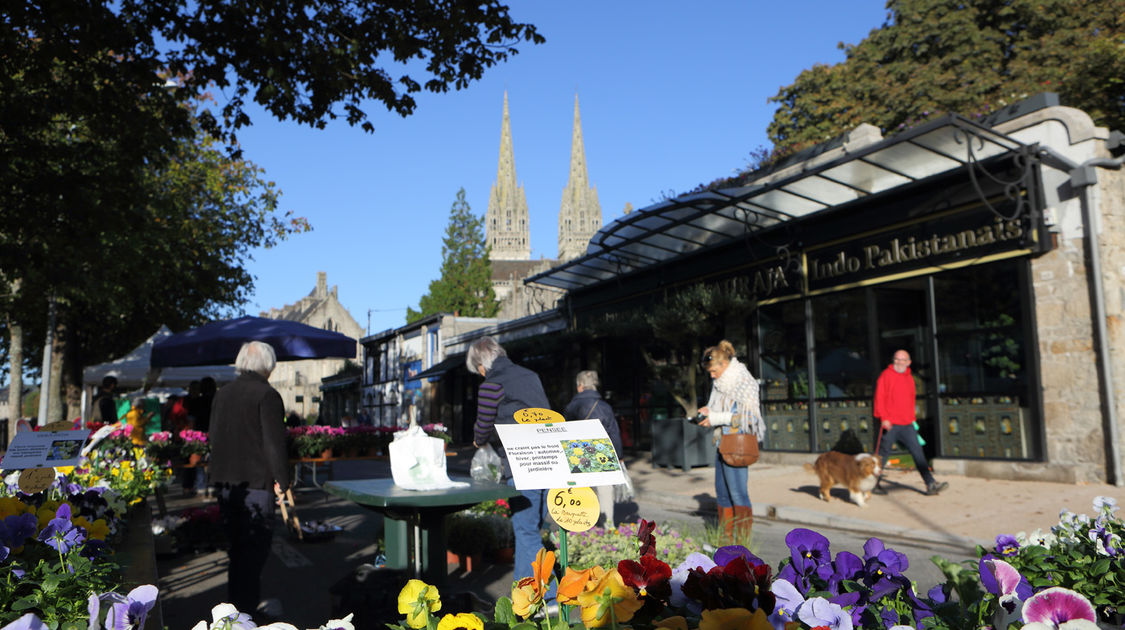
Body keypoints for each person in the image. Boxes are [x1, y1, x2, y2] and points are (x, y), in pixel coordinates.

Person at [208, 341, 290, 619]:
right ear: (268, 366)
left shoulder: (223, 393)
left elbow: (213, 437)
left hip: (227, 484)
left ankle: (234, 611)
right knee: (254, 554)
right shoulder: (267, 395)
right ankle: (246, 614)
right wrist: (283, 478)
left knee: (237, 550)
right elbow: (274, 444)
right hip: (256, 484)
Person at [467, 336, 554, 591]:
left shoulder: (492, 384)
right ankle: (523, 592)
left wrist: (477, 441)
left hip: (522, 462)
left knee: (526, 531)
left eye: (478, 370)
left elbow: (483, 426)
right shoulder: (530, 375)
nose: (480, 375)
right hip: (549, 458)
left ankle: (550, 596)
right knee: (530, 529)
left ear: (481, 364)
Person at [697, 340, 764, 542]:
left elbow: (750, 417)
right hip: (721, 443)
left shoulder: (744, 382)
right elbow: (720, 409)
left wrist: (717, 418)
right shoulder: (719, 384)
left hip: (737, 445)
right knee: (723, 493)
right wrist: (709, 412)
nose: (711, 375)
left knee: (738, 493)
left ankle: (742, 541)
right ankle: (725, 540)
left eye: (714, 370)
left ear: (724, 364)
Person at [872, 349, 948, 496]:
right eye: (897, 359)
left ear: (909, 362)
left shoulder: (909, 378)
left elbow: (910, 399)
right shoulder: (885, 376)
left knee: (918, 453)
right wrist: (883, 418)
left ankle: (930, 484)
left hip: (907, 424)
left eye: (903, 359)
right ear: (893, 360)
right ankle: (873, 484)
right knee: (883, 455)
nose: (899, 362)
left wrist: (912, 419)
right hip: (890, 423)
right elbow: (879, 398)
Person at [563, 370, 623, 527]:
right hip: (603, 452)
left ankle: (584, 526)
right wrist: (619, 455)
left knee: (583, 492)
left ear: (580, 386)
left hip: (578, 453)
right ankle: (608, 526)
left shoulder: (571, 407)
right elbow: (614, 432)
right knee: (605, 492)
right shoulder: (605, 407)